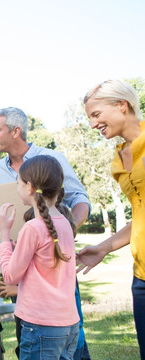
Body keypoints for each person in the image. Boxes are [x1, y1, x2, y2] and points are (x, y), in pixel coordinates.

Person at [0, 106, 92, 359]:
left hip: (42, 311)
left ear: (16, 131)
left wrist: (46, 238)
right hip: (55, 312)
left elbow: (80, 198)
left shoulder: (51, 158)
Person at [78, 79, 144, 358]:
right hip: (141, 276)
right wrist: (104, 247)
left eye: (96, 115)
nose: (93, 125)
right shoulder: (120, 157)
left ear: (122, 105)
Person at [0, 155, 80, 359]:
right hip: (69, 325)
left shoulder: (32, 227)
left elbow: (10, 276)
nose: (17, 188)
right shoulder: (66, 224)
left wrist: (4, 235)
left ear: (29, 187)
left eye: (18, 182)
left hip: (41, 327)